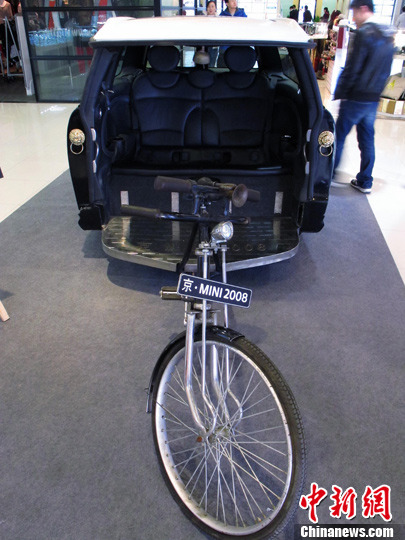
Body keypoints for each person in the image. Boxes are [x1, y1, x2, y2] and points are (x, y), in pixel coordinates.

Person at [332, 0, 395, 193]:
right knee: (367, 139)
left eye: (354, 13)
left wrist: (342, 92)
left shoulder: (363, 34)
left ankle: (329, 175)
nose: (353, 19)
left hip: (355, 97)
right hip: (372, 99)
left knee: (339, 136)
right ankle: (365, 181)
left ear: (364, 9)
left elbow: (353, 67)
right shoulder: (387, 35)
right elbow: (386, 71)